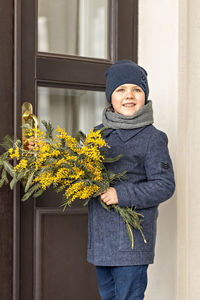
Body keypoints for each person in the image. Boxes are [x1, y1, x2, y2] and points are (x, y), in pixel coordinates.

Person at [87, 60, 175, 300]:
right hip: (102, 241)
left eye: (136, 89)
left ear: (145, 96)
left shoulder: (152, 138)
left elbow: (164, 185)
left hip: (131, 242)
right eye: (120, 90)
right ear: (110, 98)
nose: (129, 95)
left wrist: (121, 194)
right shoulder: (98, 134)